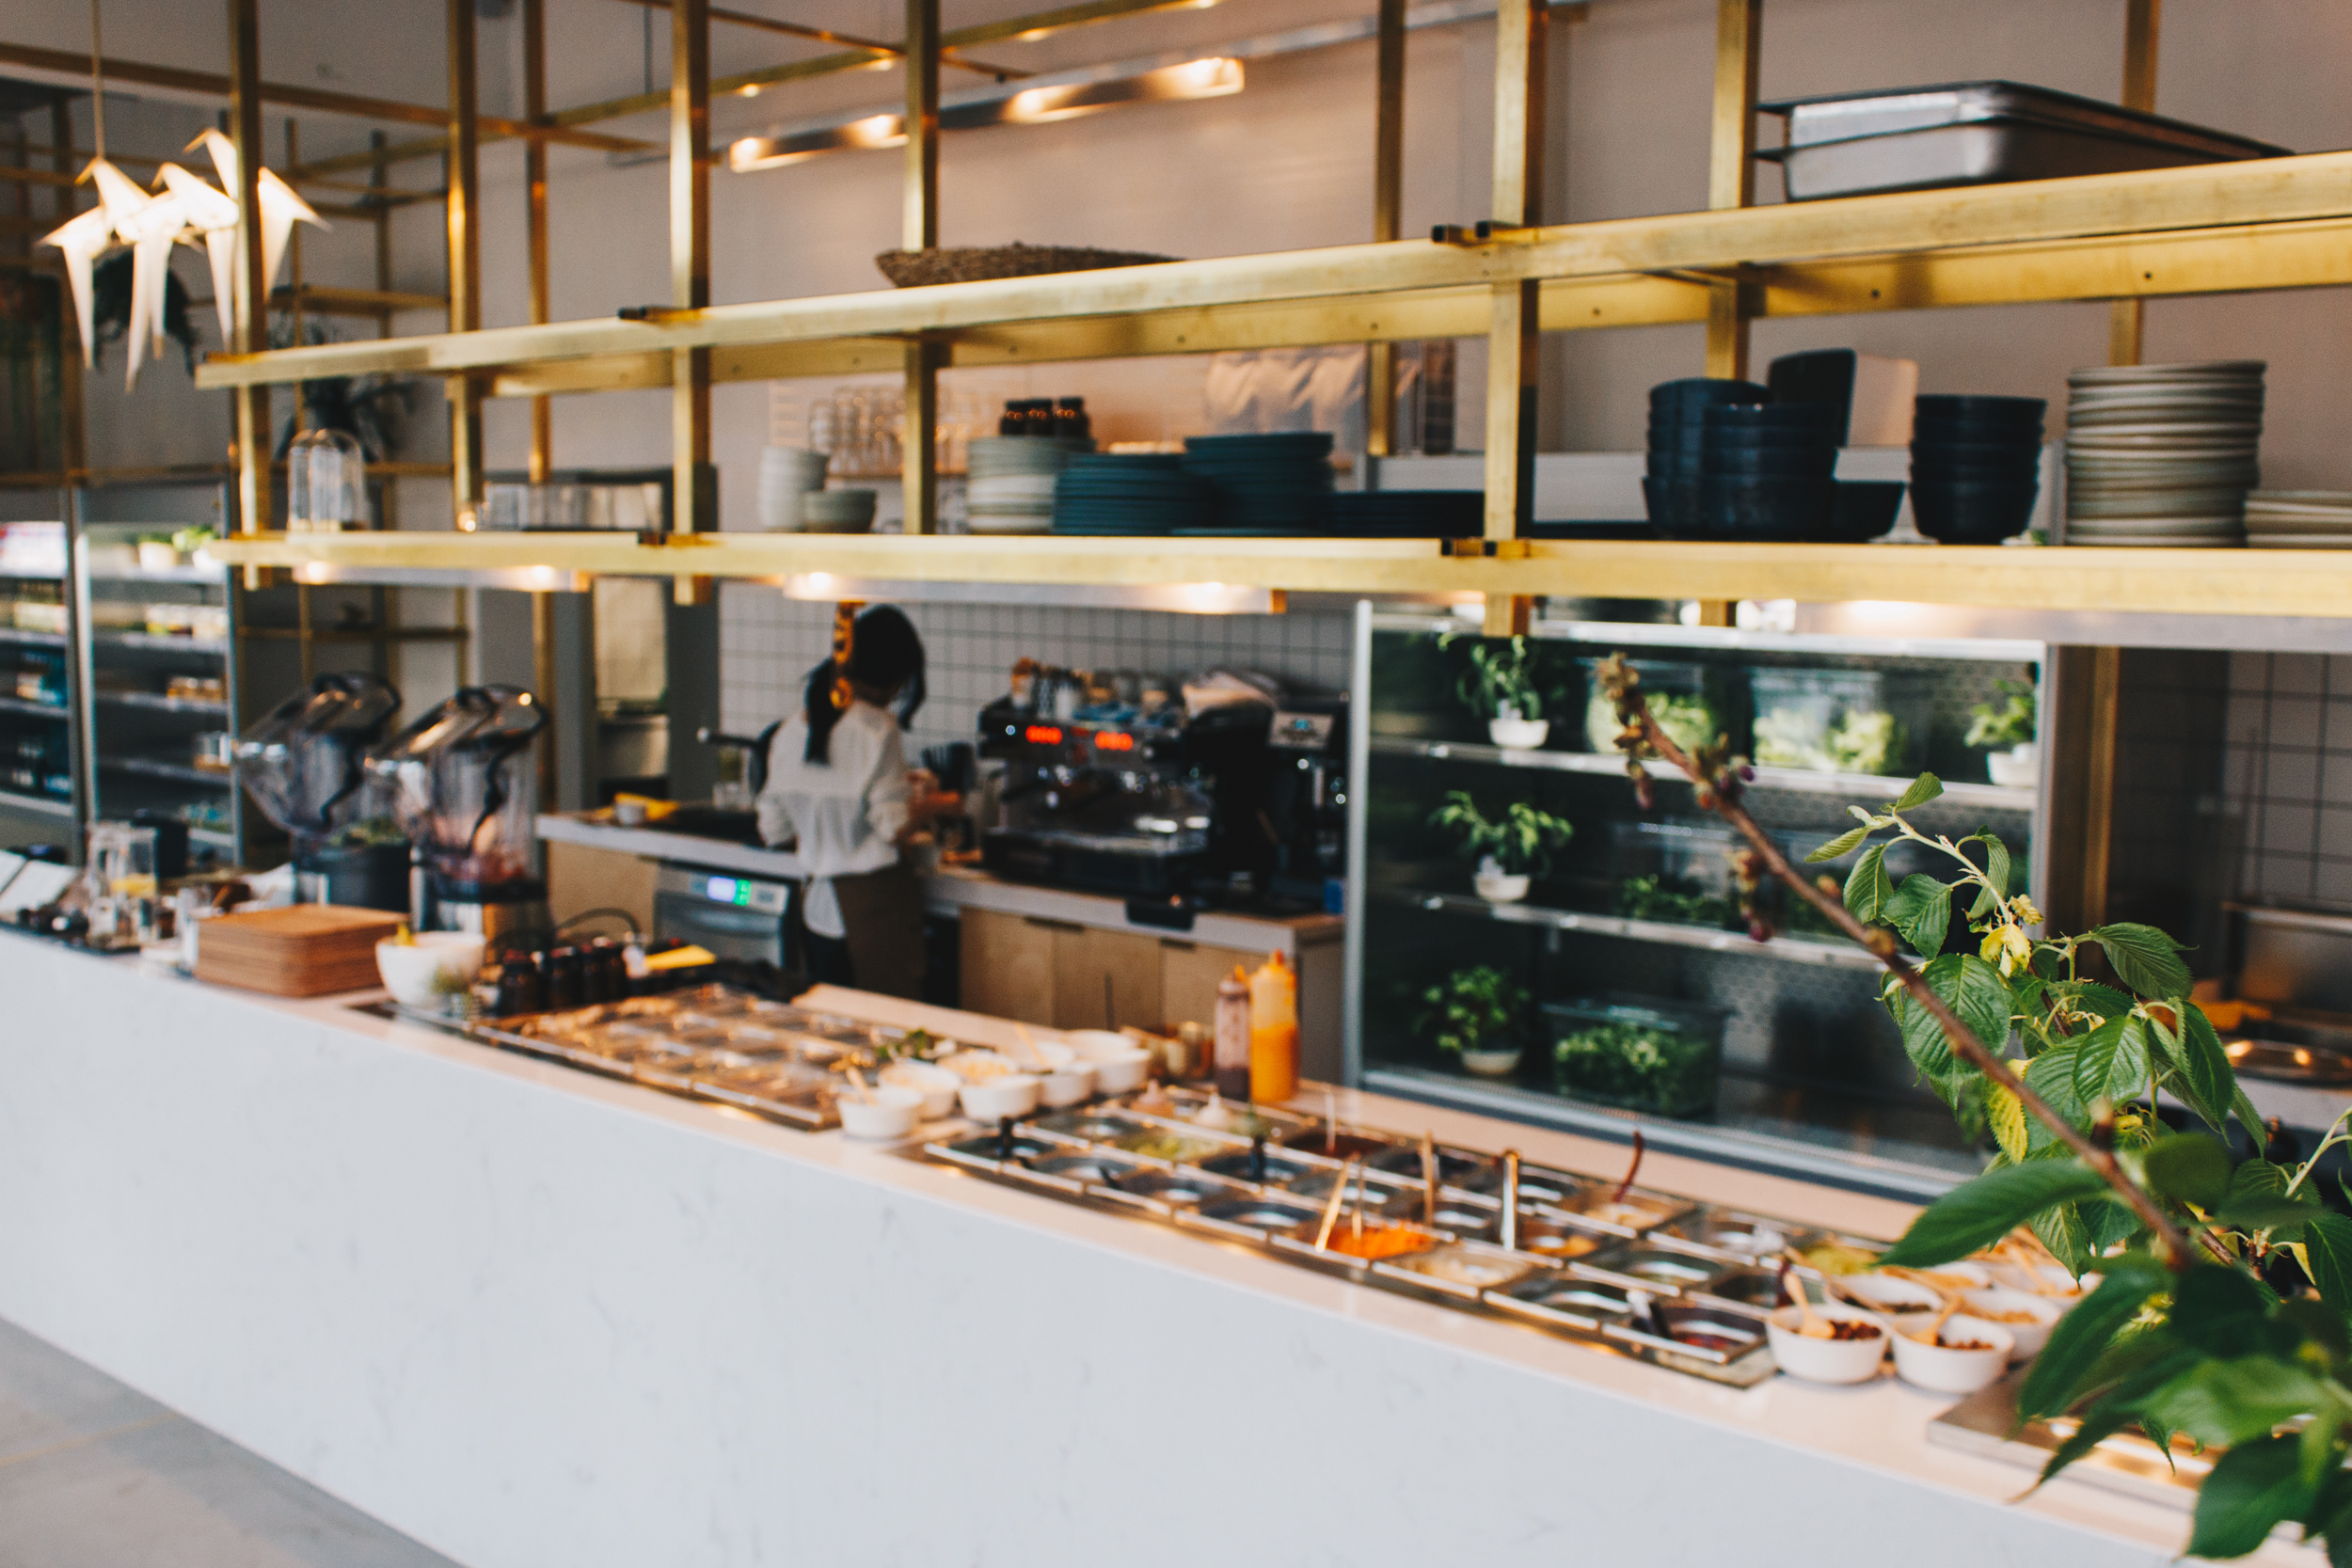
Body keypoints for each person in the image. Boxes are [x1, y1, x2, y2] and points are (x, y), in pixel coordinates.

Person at [755, 606, 956, 999]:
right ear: (894, 678)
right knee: (888, 1021)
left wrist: (823, 829)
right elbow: (892, 827)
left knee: (832, 1019)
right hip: (874, 908)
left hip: (816, 907)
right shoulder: (877, 729)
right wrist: (940, 804)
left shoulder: (789, 731)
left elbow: (773, 830)